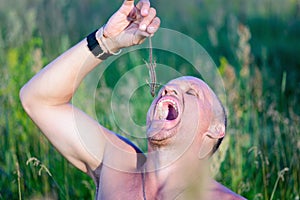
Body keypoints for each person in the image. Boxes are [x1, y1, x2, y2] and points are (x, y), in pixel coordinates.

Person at [20, 0, 246, 199]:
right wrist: (106, 41)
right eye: (166, 89)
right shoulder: (118, 164)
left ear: (215, 130)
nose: (168, 91)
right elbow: (38, 99)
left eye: (191, 93)